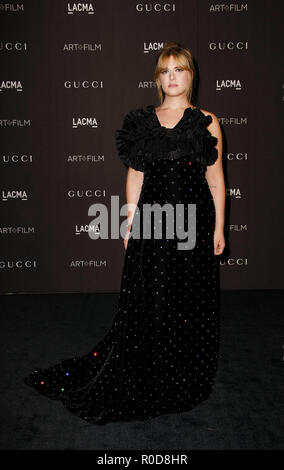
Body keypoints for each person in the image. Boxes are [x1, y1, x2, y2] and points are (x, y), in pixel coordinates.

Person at [24, 41, 225, 425]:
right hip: (153, 220)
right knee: (154, 294)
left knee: (190, 296)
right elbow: (135, 173)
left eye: (179, 70)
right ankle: (152, 365)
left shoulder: (207, 120)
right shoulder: (142, 121)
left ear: (190, 75)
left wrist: (218, 227)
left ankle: (185, 370)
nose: (172, 78)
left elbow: (216, 180)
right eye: (165, 71)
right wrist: (129, 220)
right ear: (157, 78)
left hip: (195, 221)